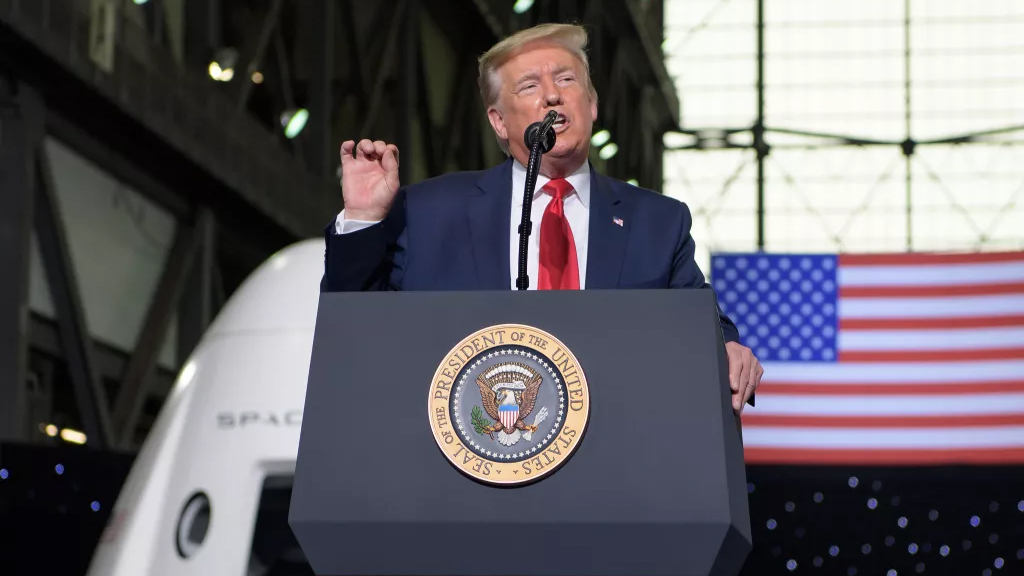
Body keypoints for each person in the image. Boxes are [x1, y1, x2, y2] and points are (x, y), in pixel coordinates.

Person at [321, 23, 762, 412]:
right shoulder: (431, 212)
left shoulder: (658, 223)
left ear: (590, 105)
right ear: (498, 122)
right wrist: (362, 218)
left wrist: (725, 346)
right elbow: (354, 327)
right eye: (529, 86)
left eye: (567, 80)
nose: (552, 94)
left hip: (615, 466)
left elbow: (698, 321)